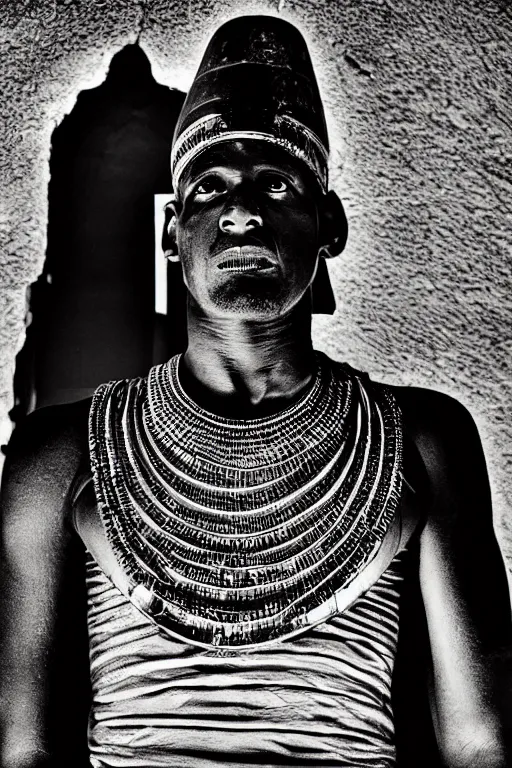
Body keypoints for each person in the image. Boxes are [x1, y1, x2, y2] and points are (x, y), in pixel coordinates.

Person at [1, 15, 511, 768]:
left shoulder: (423, 439)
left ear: (327, 224)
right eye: (209, 188)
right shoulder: (61, 455)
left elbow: (481, 742)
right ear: (173, 233)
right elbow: (22, 750)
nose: (241, 211)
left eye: (276, 183)